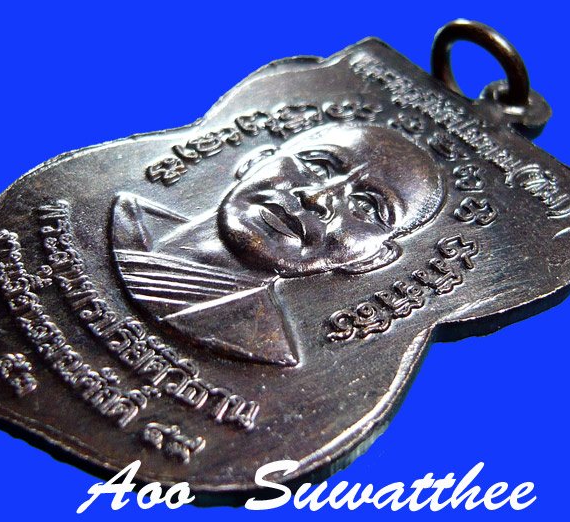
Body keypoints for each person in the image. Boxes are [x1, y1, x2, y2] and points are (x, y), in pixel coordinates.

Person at [112, 123, 446, 366]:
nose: (315, 198)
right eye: (318, 165)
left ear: (372, 259)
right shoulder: (123, 220)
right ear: (256, 160)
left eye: (367, 206)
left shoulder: (262, 347)